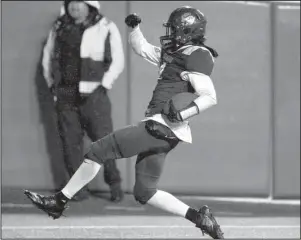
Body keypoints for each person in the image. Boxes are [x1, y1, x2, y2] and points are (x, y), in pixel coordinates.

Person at [25, 6, 224, 239]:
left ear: (189, 31)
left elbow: (210, 96)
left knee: (97, 151)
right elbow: (142, 49)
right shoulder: (177, 52)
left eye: (176, 29)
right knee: (144, 191)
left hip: (161, 125)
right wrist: (134, 29)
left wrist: (182, 114)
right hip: (167, 132)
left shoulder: (196, 54)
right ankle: (200, 218)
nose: (171, 33)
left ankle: (59, 201)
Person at [42, 0, 124, 201]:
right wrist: (52, 85)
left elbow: (117, 59)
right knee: (70, 143)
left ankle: (115, 184)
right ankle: (78, 190)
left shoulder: (105, 26)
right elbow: (48, 56)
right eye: (71, 3)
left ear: (90, 6)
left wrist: (105, 84)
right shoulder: (59, 27)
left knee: (104, 141)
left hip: (94, 94)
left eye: (80, 3)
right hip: (65, 94)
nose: (75, 7)